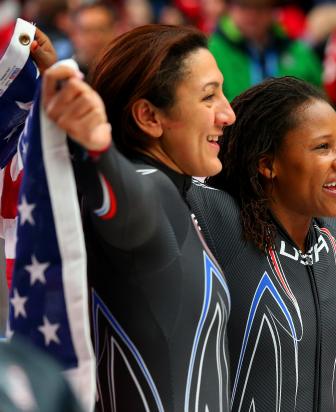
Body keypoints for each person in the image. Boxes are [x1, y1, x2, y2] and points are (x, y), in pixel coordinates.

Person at [42, 24, 336, 411]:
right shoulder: (216, 218)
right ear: (268, 164)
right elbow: (141, 187)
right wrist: (88, 137)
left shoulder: (332, 228)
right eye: (321, 147)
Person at [41, 24, 236, 411]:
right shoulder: (150, 188)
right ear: (148, 116)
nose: (228, 114)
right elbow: (132, 205)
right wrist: (96, 145)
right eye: (209, 96)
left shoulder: (180, 193)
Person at [208, 0, 322, 101]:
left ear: (273, 8)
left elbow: (320, 99)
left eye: (260, 6)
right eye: (243, 5)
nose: (252, 14)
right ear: (229, 6)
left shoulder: (298, 51)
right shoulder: (212, 52)